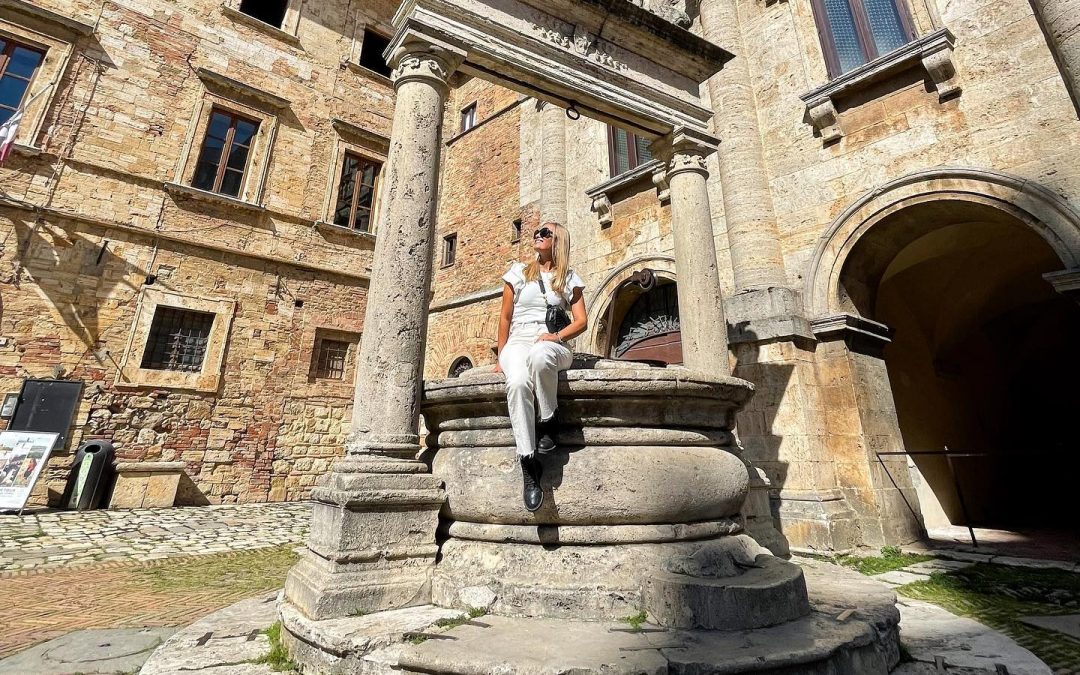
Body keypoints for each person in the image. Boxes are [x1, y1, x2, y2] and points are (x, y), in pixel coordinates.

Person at [495, 222, 588, 511]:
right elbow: (505, 317)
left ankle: (548, 418)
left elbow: (581, 321)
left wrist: (556, 336)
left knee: (540, 355)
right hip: (518, 340)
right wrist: (501, 356)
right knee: (517, 383)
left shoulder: (569, 277)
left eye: (545, 233)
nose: (538, 235)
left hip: (553, 343)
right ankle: (528, 463)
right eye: (537, 232)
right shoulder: (518, 273)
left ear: (558, 241)